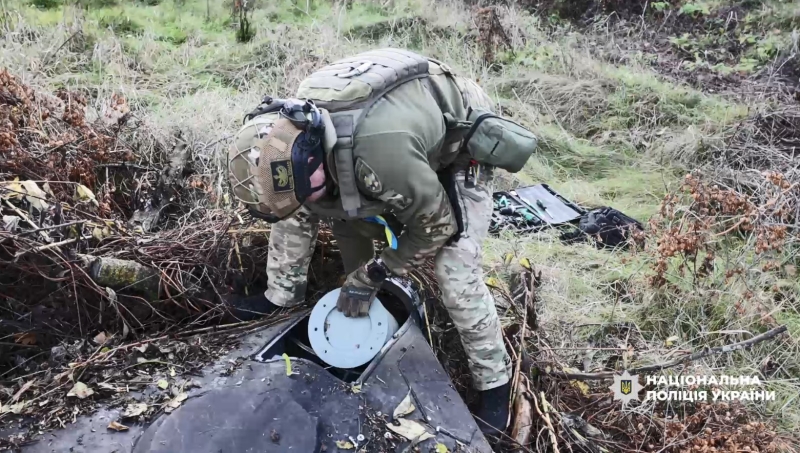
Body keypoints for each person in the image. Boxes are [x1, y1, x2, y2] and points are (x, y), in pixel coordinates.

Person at [226, 48, 536, 436]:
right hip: (385, 132)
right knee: (297, 205)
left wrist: (373, 274)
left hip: (456, 134)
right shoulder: (286, 134)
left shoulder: (380, 157)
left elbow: (436, 225)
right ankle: (280, 298)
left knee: (454, 271)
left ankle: (494, 383)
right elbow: (328, 198)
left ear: (314, 160)